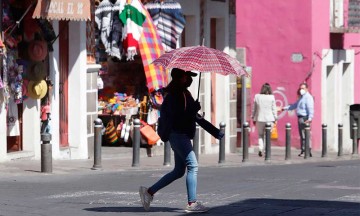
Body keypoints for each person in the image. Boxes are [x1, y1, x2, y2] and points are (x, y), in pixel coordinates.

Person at [139, 68, 209, 213]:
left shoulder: (182, 93)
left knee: (178, 171)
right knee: (193, 166)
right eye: (187, 76)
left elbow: (185, 113)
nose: (189, 79)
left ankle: (149, 192)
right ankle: (192, 203)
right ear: (180, 78)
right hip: (178, 134)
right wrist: (192, 109)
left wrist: (193, 108)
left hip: (179, 134)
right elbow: (178, 117)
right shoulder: (175, 95)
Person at [283, 83, 314, 157]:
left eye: (303, 88)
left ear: (307, 89)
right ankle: (304, 150)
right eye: (300, 88)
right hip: (300, 117)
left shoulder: (308, 97)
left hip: (304, 117)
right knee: (302, 135)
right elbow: (294, 105)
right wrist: (284, 108)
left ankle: (306, 151)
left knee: (305, 135)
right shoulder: (301, 97)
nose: (301, 90)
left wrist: (310, 118)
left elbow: (311, 109)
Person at [251, 83, 278, 157]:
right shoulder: (272, 97)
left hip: (260, 119)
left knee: (260, 135)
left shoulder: (257, 97)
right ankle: (266, 150)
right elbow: (274, 109)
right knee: (267, 135)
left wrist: (253, 117)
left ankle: (260, 148)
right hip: (270, 119)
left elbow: (254, 109)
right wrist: (276, 118)